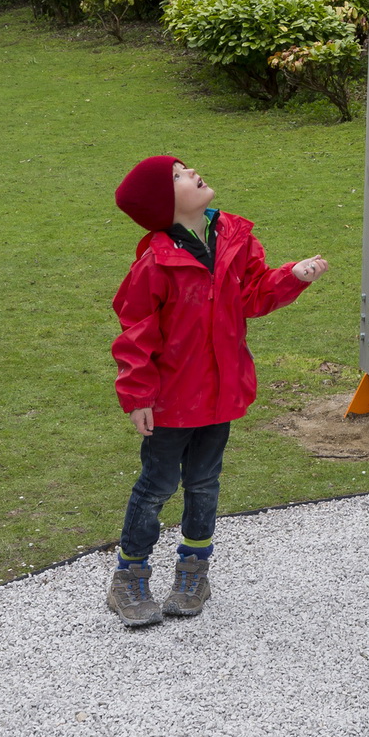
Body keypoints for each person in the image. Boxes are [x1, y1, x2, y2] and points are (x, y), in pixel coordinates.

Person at [106, 152, 328, 627]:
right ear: (165, 204)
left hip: (219, 394)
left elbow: (251, 296)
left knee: (204, 484)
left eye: (185, 168)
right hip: (170, 402)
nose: (191, 172)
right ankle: (129, 576)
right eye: (177, 176)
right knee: (157, 486)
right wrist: (139, 395)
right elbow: (135, 334)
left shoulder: (232, 238)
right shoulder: (154, 264)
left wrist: (291, 276)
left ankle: (193, 571)